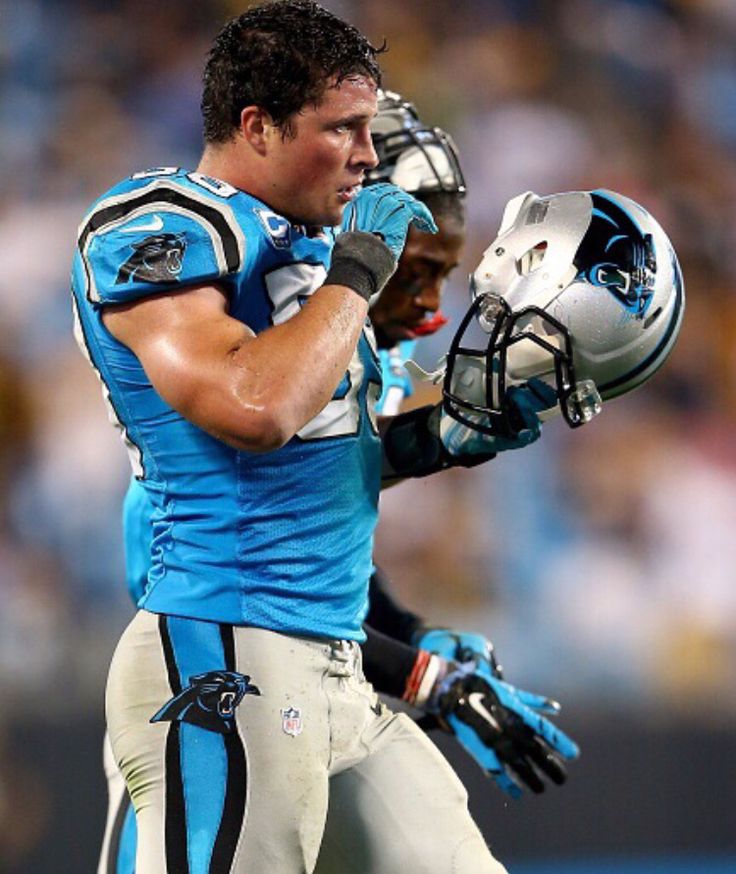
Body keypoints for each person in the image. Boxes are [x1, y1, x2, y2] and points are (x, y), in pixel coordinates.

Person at [75, 4, 566, 871]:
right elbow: (255, 409)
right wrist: (357, 272)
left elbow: (328, 452)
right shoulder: (162, 224)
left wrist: (451, 433)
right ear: (257, 127)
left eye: (368, 130)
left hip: (334, 662)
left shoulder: (307, 249)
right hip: (223, 651)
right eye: (343, 130)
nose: (368, 156)